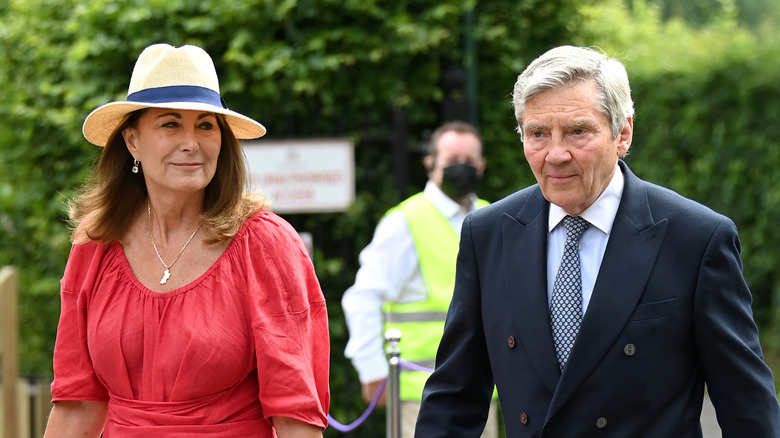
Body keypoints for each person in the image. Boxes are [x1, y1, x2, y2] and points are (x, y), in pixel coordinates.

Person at [414, 45, 780, 437]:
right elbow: (454, 396)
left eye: (577, 131)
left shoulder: (697, 238)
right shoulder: (488, 234)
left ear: (623, 134)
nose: (556, 154)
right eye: (538, 134)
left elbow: (747, 407)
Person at [43, 43, 329, 437]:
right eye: (171, 124)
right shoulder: (95, 242)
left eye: (206, 125)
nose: (191, 142)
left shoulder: (264, 243)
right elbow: (77, 406)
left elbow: (296, 416)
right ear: (132, 141)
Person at [342, 121, 497, 438]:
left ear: (482, 166)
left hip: (483, 394)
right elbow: (363, 297)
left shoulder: (492, 217)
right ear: (430, 163)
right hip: (421, 397)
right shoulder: (404, 222)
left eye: (470, 161)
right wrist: (372, 371)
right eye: (453, 158)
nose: (461, 168)